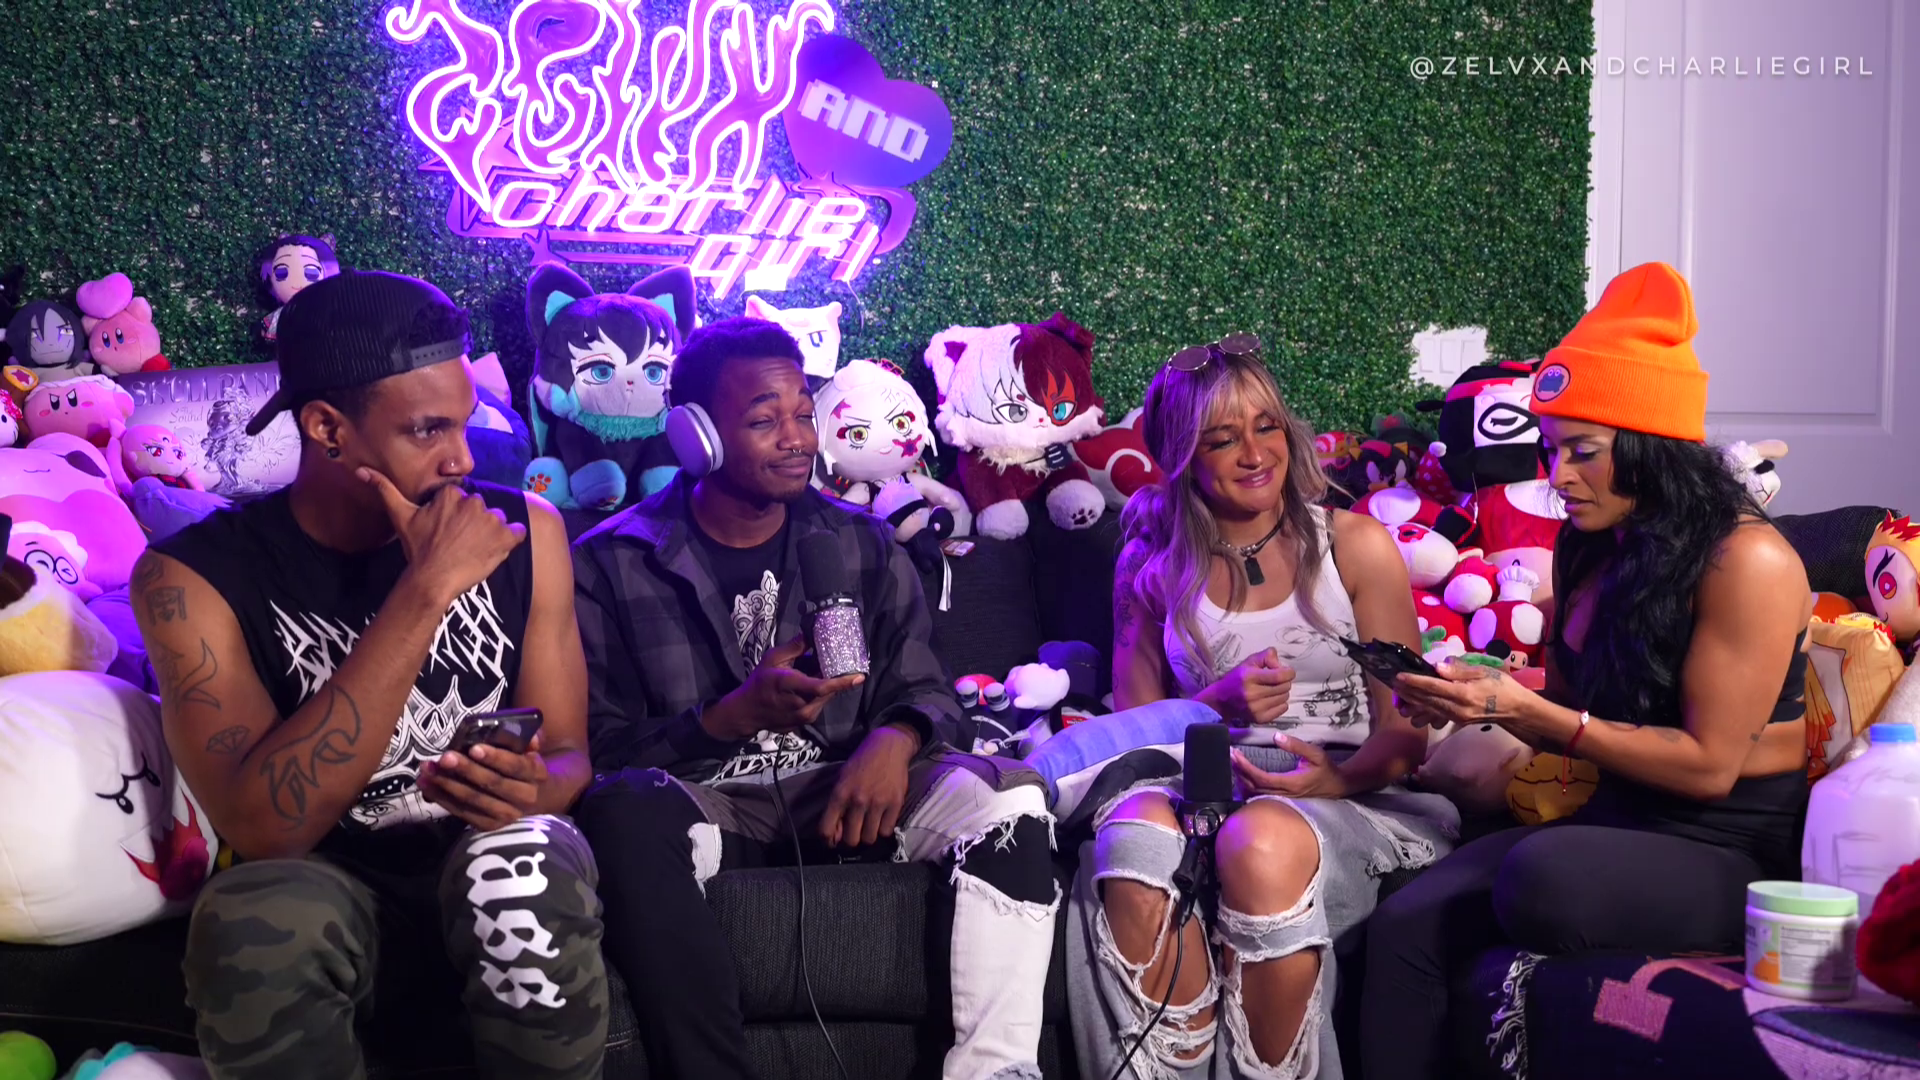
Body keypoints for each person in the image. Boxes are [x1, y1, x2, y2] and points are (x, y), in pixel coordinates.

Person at [132, 270, 607, 1080]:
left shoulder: (526, 529)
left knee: (517, 871)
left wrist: (534, 788)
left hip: (493, 860)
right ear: (327, 428)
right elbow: (265, 830)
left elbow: (568, 754)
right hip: (332, 887)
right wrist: (424, 592)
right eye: (427, 430)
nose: (462, 458)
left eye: (463, 422)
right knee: (252, 915)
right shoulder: (192, 577)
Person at [571, 316, 1060, 1080]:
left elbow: (926, 688)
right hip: (708, 803)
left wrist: (893, 739)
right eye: (765, 420)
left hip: (853, 795)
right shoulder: (611, 563)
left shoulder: (861, 541)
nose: (797, 438)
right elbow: (596, 749)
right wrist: (725, 719)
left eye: (803, 413)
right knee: (621, 811)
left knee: (1013, 800)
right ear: (696, 436)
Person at [1362, 262, 1814, 1079]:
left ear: (1649, 448)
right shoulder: (1591, 544)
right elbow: (1575, 707)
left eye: (1583, 452)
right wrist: (1472, 696)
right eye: (1550, 450)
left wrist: (1526, 714)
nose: (1557, 476)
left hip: (1727, 844)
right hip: (1620, 814)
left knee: (1540, 876)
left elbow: (1708, 767)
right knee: (1402, 920)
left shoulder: (1747, 560)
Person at [1069, 336, 1457, 1080]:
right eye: (1222, 439)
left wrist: (1332, 780)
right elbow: (1133, 741)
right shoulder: (1150, 563)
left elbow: (1408, 732)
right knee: (1133, 832)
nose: (1254, 454)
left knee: (1259, 839)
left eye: (1266, 426)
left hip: (1351, 791)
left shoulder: (1354, 545)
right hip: (1203, 786)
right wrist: (1211, 705)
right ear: (1182, 455)